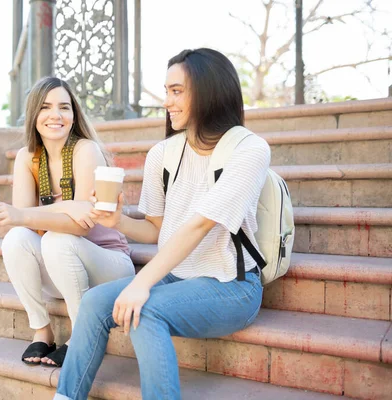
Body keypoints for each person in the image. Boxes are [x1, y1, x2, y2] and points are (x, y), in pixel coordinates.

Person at [53, 48, 270, 399]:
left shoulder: (249, 150)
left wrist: (142, 283)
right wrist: (118, 221)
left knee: (145, 310)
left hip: (231, 284)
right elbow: (157, 230)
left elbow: (200, 226)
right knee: (94, 302)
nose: (166, 101)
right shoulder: (163, 154)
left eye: (176, 91)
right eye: (166, 91)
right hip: (176, 275)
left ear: (208, 90)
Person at [0, 76, 134, 368]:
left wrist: (25, 213)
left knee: (57, 238)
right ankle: (42, 330)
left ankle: (82, 335)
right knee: (16, 239)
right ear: (34, 114)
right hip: (59, 267)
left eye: (64, 107)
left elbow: (80, 225)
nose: (56, 115)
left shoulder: (85, 149)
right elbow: (25, 226)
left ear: (74, 115)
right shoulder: (27, 157)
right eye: (46, 107)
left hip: (108, 267)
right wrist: (69, 205)